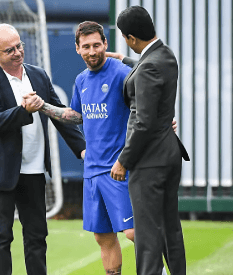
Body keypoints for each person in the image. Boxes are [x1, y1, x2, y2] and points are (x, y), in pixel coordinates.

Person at [30, 21, 170, 275]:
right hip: (93, 171)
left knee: (133, 232)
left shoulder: (120, 72)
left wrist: (163, 119)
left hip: (119, 168)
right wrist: (43, 107)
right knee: (103, 237)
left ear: (105, 44)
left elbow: (153, 86)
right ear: (77, 49)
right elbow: (76, 115)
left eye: (97, 45)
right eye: (86, 46)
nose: (92, 51)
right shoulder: (81, 80)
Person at [0, 23, 86, 275]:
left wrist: (81, 149)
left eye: (19, 46)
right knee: (1, 237)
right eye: (9, 49)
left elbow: (59, 114)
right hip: (0, 174)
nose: (17, 52)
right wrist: (23, 111)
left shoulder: (39, 75)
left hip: (34, 171)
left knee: (37, 236)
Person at [110, 6, 190, 275]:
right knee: (170, 228)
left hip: (149, 161)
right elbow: (150, 68)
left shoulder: (147, 68)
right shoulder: (166, 55)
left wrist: (124, 160)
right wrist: (126, 60)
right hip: (170, 154)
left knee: (146, 235)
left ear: (131, 38)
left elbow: (142, 123)